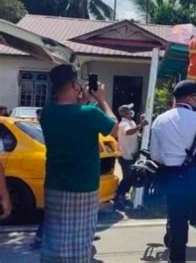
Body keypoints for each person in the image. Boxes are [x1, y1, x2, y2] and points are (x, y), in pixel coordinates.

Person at [40, 64, 118, 262]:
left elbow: (71, 114)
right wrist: (100, 99)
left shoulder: (47, 113)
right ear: (75, 85)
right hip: (83, 186)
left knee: (55, 239)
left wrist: (83, 100)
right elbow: (115, 127)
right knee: (78, 241)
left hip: (54, 185)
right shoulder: (89, 114)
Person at [150, 80, 196, 263]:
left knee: (177, 225)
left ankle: (177, 259)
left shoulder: (159, 120)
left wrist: (174, 161)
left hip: (173, 179)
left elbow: (155, 155)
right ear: (190, 97)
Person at [115, 103, 148, 210]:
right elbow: (128, 132)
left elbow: (137, 134)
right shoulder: (124, 124)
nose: (131, 112)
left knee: (131, 177)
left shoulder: (131, 122)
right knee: (127, 178)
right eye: (129, 110)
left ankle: (123, 197)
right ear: (125, 113)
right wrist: (140, 125)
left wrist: (141, 126)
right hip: (126, 156)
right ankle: (119, 197)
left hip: (132, 155)